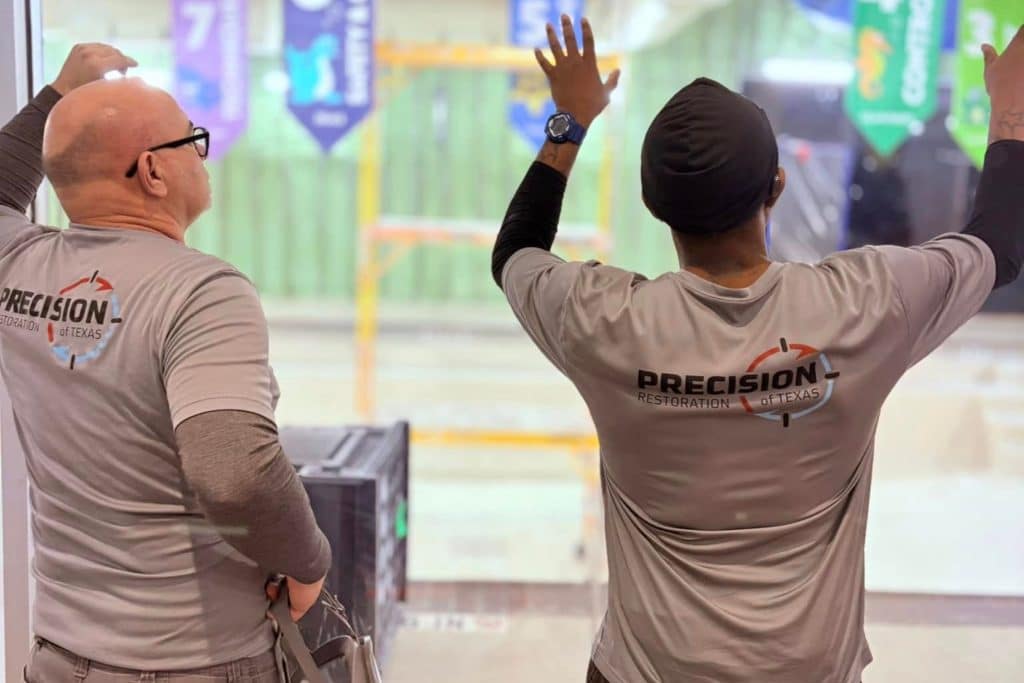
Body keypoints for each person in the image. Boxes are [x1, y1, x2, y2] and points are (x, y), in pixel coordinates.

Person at [493, 16, 1024, 683]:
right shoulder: (866, 303)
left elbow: (516, 252)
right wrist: (1010, 111)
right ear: (777, 186)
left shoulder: (603, 320)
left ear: (653, 204)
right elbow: (997, 246)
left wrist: (569, 121)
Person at [0, 45, 332, 681]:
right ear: (152, 171)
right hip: (194, 661)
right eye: (192, 141)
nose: (203, 157)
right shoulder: (201, 292)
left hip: (60, 656)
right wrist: (308, 561)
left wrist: (56, 95)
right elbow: (234, 474)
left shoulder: (19, 266)